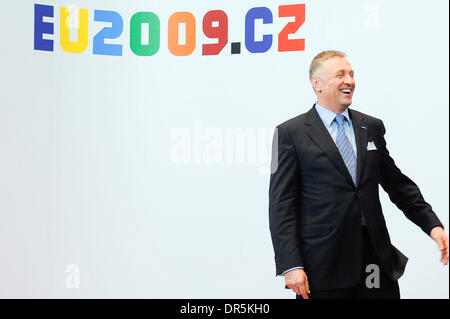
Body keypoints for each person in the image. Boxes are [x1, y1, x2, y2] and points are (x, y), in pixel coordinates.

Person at [268, 50, 449, 299]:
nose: (349, 81)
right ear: (316, 84)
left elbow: (396, 184)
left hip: (375, 259)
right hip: (322, 266)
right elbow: (282, 206)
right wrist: (291, 265)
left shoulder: (371, 127)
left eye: (351, 74)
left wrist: (432, 225)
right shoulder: (290, 133)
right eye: (340, 74)